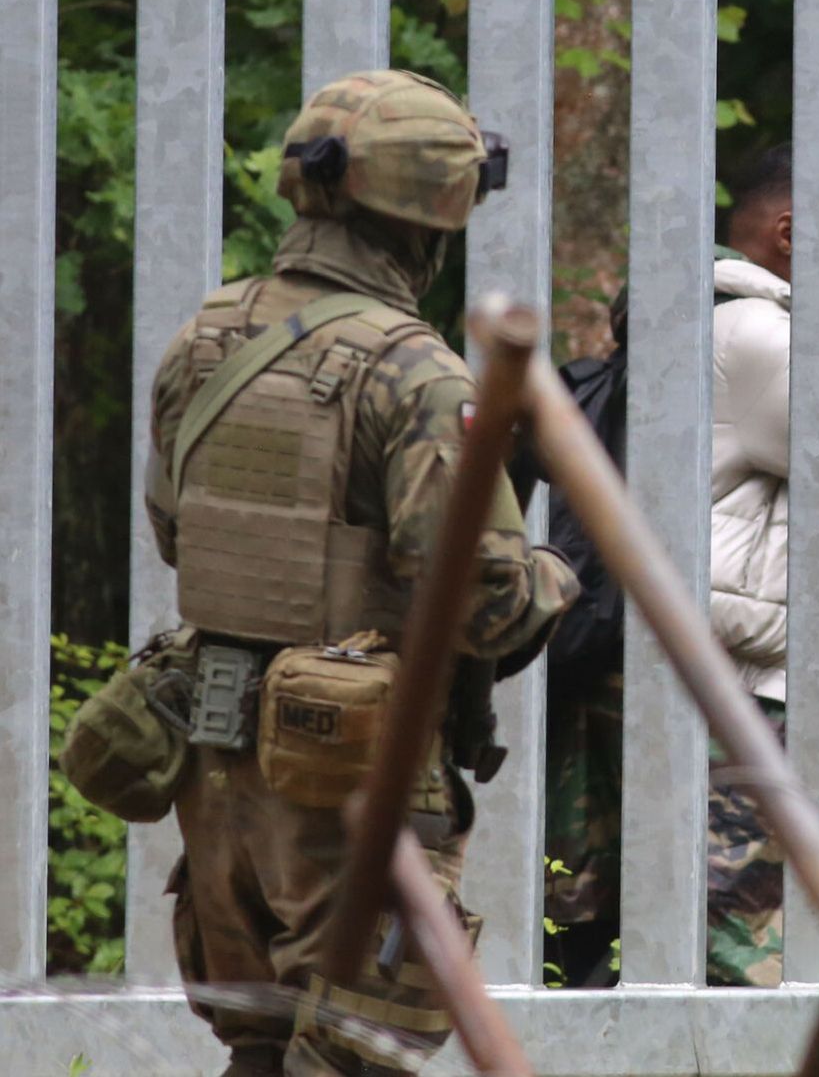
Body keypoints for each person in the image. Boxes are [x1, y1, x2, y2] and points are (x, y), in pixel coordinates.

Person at [142, 70, 578, 1076]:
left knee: (260, 1046)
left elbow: (176, 534)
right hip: (347, 780)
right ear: (436, 212)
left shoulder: (205, 339)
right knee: (351, 1053)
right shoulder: (412, 372)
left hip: (213, 762)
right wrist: (560, 575)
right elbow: (484, 605)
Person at [530, 143, 819, 987]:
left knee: (603, 958)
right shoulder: (756, 332)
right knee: (738, 973)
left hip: (645, 672)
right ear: (790, 236)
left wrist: (817, 667)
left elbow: (719, 528)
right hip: (716, 701)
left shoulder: (689, 328)